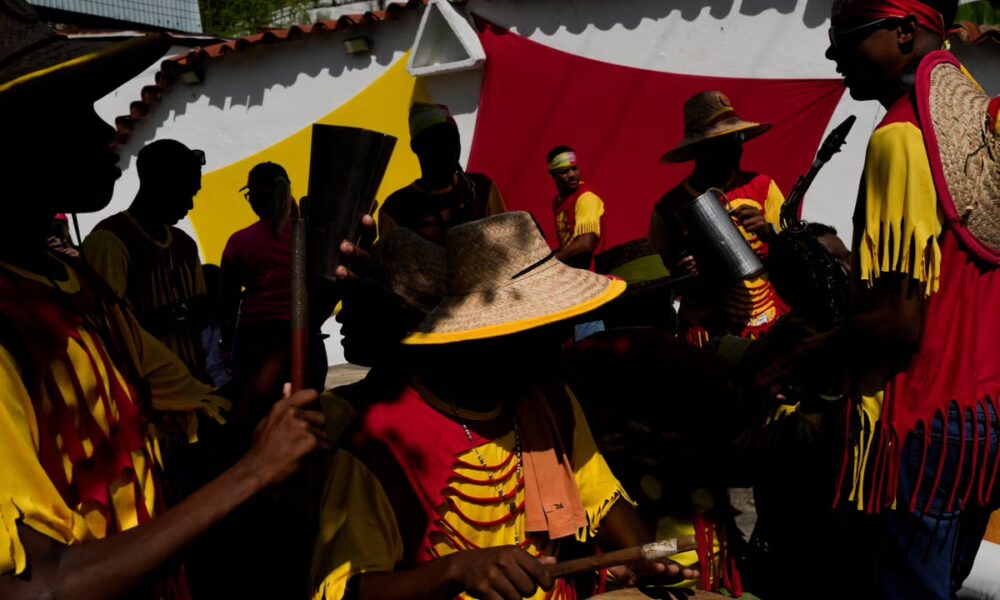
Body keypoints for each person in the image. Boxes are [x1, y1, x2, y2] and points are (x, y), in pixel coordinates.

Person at [0, 3, 327, 597]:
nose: (106, 133)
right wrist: (253, 473)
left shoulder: (72, 283)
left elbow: (204, 416)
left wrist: (316, 302)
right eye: (75, 112)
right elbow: (38, 587)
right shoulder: (17, 323)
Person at [312, 212, 699, 600]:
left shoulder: (551, 401)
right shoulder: (379, 440)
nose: (561, 341)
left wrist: (639, 557)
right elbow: (345, 591)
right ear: (480, 338)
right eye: (541, 332)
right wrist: (454, 570)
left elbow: (606, 504)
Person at [761, 0, 1000, 597]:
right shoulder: (979, 123)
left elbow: (896, 323)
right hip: (983, 418)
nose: (831, 53)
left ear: (903, 32)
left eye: (846, 36)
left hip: (920, 424)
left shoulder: (901, 134)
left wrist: (799, 358)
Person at [648, 91, 789, 344]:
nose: (737, 146)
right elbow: (658, 281)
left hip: (774, 321)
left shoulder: (763, 186)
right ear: (700, 149)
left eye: (739, 137)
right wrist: (681, 273)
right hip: (708, 333)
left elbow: (796, 253)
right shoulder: (668, 208)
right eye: (726, 140)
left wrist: (768, 232)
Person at [84, 139, 210, 380]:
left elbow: (201, 313)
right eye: (185, 193)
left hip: (194, 389)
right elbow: (109, 331)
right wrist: (180, 314)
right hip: (144, 396)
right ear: (158, 186)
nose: (190, 205)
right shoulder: (109, 242)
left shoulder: (185, 244)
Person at [221, 161, 328, 399]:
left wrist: (226, 346)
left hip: (257, 342)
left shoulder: (240, 242)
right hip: (306, 337)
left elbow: (227, 301)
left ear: (257, 196)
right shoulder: (310, 235)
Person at [377, 102, 506, 244]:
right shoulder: (395, 210)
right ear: (416, 147)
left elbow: (507, 245)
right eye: (436, 139)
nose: (449, 147)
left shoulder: (482, 189)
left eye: (452, 137)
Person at [547, 146, 606, 270]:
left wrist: (550, 262)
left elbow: (585, 246)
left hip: (595, 273)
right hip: (576, 273)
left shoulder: (586, 199)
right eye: (564, 171)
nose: (572, 175)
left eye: (574, 168)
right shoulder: (557, 202)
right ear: (553, 175)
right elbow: (569, 245)